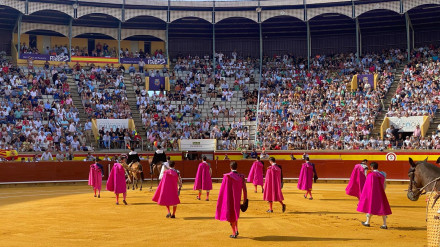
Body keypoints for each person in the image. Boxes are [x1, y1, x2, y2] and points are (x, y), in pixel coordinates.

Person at [215, 161, 248, 239]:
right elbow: (245, 189)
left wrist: (221, 200)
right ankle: (236, 229)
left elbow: (222, 190)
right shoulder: (241, 176)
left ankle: (234, 233)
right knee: (235, 214)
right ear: (237, 167)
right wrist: (244, 200)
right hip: (237, 199)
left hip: (228, 199)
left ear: (230, 167)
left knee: (230, 216)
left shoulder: (227, 176)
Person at [357, 162, 392, 229]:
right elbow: (384, 184)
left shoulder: (370, 174)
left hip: (372, 194)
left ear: (372, 167)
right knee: (382, 207)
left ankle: (367, 222)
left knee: (370, 207)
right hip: (381, 193)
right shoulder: (383, 174)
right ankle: (384, 224)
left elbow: (368, 185)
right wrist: (382, 191)